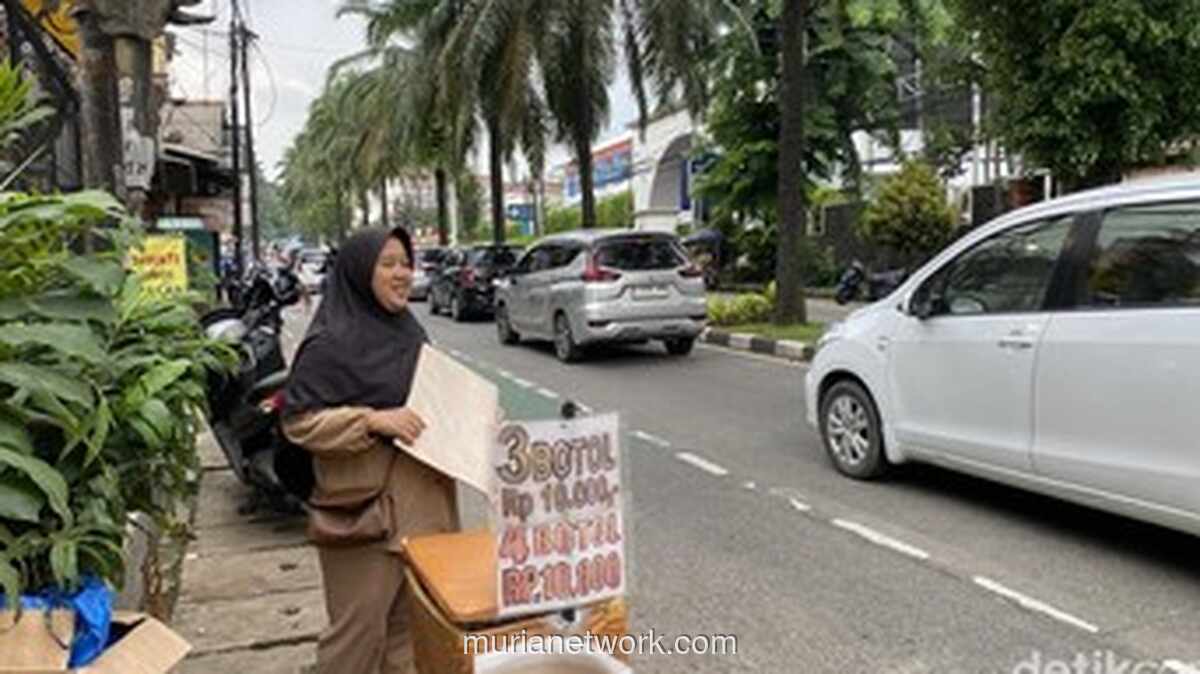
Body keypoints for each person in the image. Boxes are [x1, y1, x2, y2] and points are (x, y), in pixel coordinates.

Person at [281, 226, 459, 674]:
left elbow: (432, 399)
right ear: (360, 273)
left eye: (405, 262)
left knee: (408, 640)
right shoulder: (330, 343)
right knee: (356, 640)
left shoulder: (408, 332)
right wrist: (371, 420)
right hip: (362, 517)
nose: (402, 274)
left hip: (421, 512)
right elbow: (299, 424)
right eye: (388, 264)